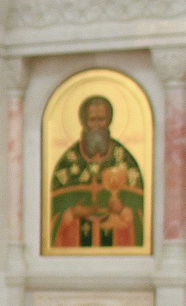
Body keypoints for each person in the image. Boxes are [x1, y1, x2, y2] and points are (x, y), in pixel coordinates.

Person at [48, 95, 145, 249]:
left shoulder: (123, 159)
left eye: (101, 119)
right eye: (92, 120)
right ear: (84, 122)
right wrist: (73, 212)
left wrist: (122, 210)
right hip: (75, 241)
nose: (97, 125)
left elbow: (141, 208)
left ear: (109, 120)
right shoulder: (69, 161)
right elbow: (52, 208)